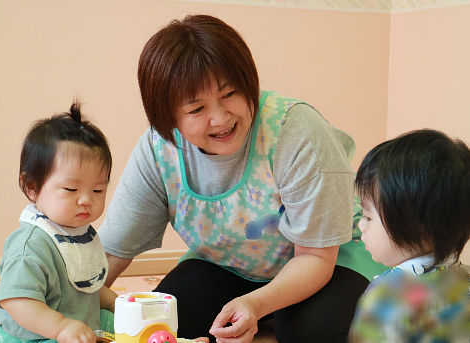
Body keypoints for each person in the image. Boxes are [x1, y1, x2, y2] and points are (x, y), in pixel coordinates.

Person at [99, 14, 386, 342]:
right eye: (196, 110)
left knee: (312, 331)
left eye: (230, 94)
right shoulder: (158, 149)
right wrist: (63, 305)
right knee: (163, 322)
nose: (220, 118)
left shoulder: (295, 129)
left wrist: (256, 304)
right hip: (229, 263)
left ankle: (277, 314)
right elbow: (111, 252)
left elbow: (316, 257)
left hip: (329, 259)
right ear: (169, 118)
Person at [0, 102, 118, 343]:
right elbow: (16, 300)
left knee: (125, 324)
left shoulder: (80, 233)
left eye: (98, 190)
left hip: (79, 326)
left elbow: (83, 286)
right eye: (71, 189)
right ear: (32, 187)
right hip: (35, 337)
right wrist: (60, 328)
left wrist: (115, 302)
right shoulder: (29, 247)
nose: (86, 200)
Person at [349, 129, 470, 342]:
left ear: (416, 225)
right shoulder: (464, 281)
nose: (361, 225)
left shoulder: (386, 296)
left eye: (368, 217)